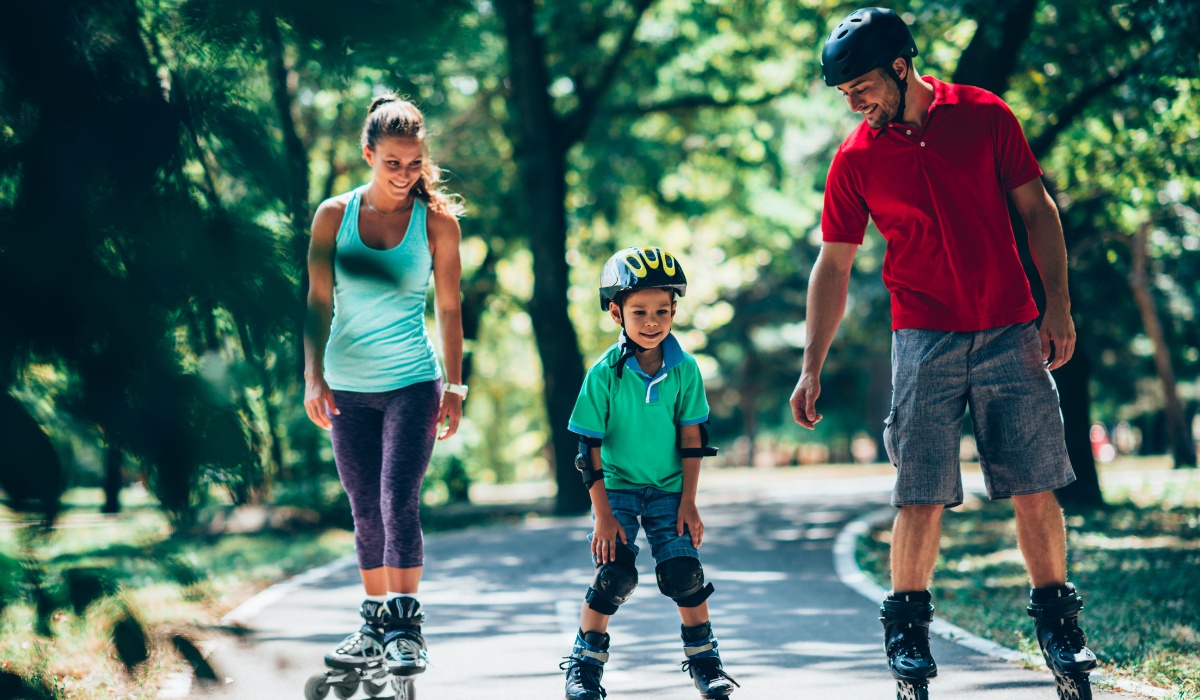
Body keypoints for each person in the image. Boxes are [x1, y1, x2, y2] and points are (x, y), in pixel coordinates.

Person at [791, 7, 1098, 698]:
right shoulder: (856, 158)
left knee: (1033, 481)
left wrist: (1058, 305)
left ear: (902, 66)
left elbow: (1037, 209)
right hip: (922, 336)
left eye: (861, 85)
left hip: (1011, 327)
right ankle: (907, 634)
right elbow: (833, 266)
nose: (854, 101)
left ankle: (1059, 626)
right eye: (843, 92)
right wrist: (811, 363)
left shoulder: (984, 115)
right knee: (920, 490)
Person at [303, 94, 467, 683]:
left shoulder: (436, 225)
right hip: (346, 386)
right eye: (392, 163)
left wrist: (457, 386)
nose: (403, 175)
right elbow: (317, 301)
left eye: (414, 163)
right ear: (368, 154)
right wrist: (311, 376)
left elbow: (449, 310)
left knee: (398, 498)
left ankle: (405, 624)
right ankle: (373, 621)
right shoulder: (333, 216)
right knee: (363, 507)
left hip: (412, 382)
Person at [560, 247, 738, 700]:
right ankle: (584, 665)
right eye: (639, 311)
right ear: (616, 312)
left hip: (669, 490)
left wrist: (689, 501)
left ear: (675, 309)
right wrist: (602, 515)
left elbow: (693, 440)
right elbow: (589, 448)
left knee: (683, 572)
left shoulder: (685, 369)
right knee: (615, 574)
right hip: (616, 487)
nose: (652, 321)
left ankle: (706, 662)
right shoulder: (603, 374)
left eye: (662, 310)